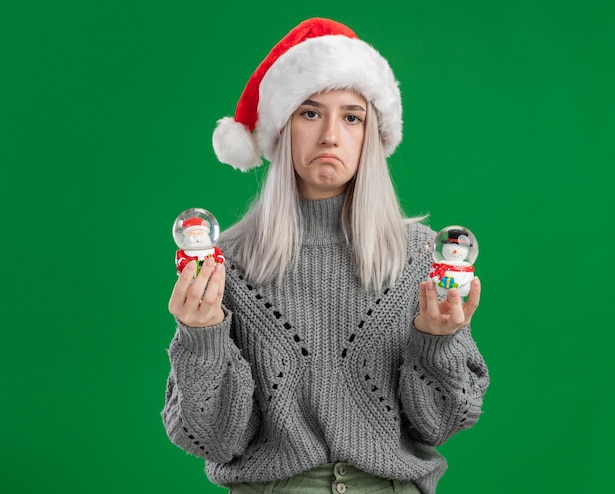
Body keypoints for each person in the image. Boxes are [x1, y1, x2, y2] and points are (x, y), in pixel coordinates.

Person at [162, 18, 489, 494]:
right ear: (282, 128)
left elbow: (442, 424)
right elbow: (213, 439)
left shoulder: (425, 259)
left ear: (371, 135)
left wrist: (438, 343)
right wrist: (201, 339)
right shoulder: (225, 265)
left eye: (351, 116)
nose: (330, 135)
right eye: (310, 113)